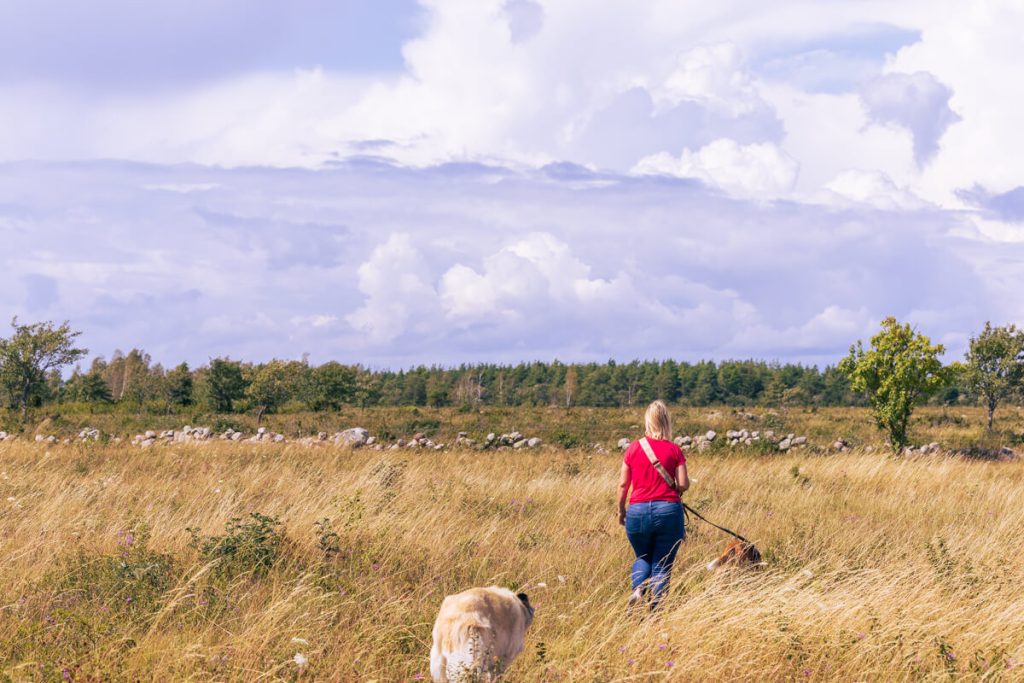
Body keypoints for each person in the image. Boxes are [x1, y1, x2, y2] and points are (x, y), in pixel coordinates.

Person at [617, 399, 689, 610]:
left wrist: (621, 510)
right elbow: (683, 484)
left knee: (643, 556)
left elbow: (623, 484)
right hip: (668, 510)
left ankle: (638, 591)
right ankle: (656, 609)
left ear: (648, 422)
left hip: (637, 511)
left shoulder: (632, 449)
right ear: (666, 422)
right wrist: (674, 487)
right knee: (662, 563)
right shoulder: (674, 450)